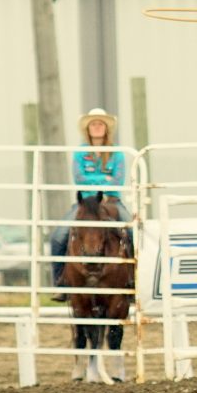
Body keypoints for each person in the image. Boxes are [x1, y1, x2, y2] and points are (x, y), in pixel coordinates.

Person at [50, 108, 132, 302]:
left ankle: (133, 279)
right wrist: (104, 178)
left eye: (100, 124)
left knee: (133, 233)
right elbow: (80, 179)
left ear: (106, 128)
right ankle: (61, 282)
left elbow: (118, 181)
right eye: (93, 124)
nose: (97, 127)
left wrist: (94, 181)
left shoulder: (117, 153)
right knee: (58, 236)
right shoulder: (80, 153)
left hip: (111, 201)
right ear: (88, 128)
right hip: (86, 204)